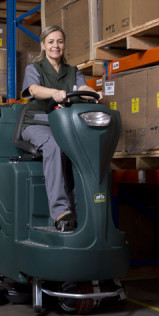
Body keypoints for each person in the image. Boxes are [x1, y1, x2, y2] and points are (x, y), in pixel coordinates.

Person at [21, 25, 103, 232]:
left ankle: (81, 207)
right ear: (43, 45)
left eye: (59, 41)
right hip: (37, 123)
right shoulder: (34, 69)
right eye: (50, 42)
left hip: (65, 125)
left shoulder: (72, 71)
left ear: (64, 45)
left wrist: (94, 92)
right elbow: (34, 90)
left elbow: (82, 87)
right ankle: (60, 212)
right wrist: (54, 93)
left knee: (84, 150)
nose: (55, 46)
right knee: (54, 146)